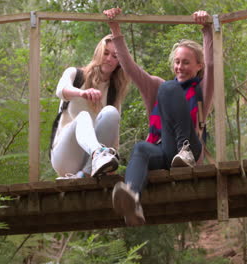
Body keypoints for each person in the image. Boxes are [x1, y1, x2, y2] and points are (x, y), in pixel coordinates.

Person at [103, 8, 214, 226]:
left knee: (169, 88)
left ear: (198, 66)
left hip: (191, 148)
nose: (180, 67)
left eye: (186, 62)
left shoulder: (202, 88)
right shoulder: (157, 87)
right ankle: (133, 201)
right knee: (140, 148)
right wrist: (115, 29)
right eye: (177, 62)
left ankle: (186, 151)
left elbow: (211, 65)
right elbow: (130, 68)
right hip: (164, 151)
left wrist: (207, 29)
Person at [50, 34, 130, 180]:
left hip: (89, 163)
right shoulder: (75, 74)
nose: (109, 59)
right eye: (105, 53)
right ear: (98, 53)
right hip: (65, 157)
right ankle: (98, 153)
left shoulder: (113, 91)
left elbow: (114, 133)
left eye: (114, 56)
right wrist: (82, 93)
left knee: (111, 113)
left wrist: (114, 157)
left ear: (119, 61)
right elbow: (61, 90)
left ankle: (85, 174)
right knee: (83, 116)